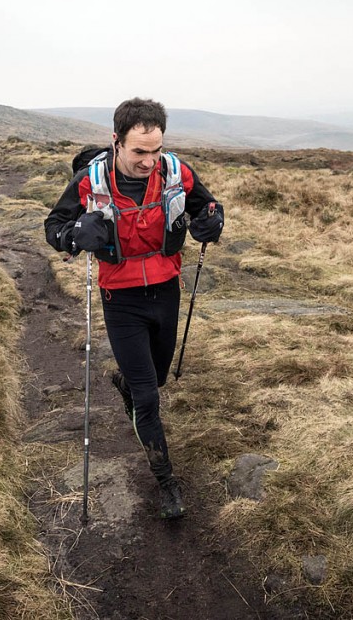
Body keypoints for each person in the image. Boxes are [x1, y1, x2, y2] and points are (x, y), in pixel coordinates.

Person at [44, 98, 224, 519]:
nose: (148, 161)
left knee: (154, 379)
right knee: (148, 397)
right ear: (116, 142)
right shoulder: (91, 181)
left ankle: (127, 385)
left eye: (155, 150)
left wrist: (213, 223)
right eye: (139, 151)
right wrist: (76, 234)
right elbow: (54, 228)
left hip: (166, 290)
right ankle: (166, 482)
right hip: (119, 297)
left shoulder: (177, 172)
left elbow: (207, 208)